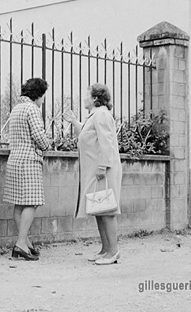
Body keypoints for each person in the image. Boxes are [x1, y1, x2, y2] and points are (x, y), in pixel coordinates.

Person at [64, 83, 122, 265]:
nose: (84, 98)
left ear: (96, 98)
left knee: (107, 210)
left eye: (87, 94)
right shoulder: (95, 115)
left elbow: (107, 143)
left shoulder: (102, 114)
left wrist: (102, 167)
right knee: (99, 209)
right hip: (97, 170)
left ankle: (113, 252)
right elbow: (88, 135)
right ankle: (105, 249)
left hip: (102, 170)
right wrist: (74, 122)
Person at [3, 78, 50, 261]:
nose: (43, 100)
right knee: (32, 202)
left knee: (19, 202)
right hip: (29, 160)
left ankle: (26, 243)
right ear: (37, 94)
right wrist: (47, 147)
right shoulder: (32, 109)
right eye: (43, 96)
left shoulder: (16, 109)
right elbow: (39, 135)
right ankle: (21, 243)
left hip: (14, 159)